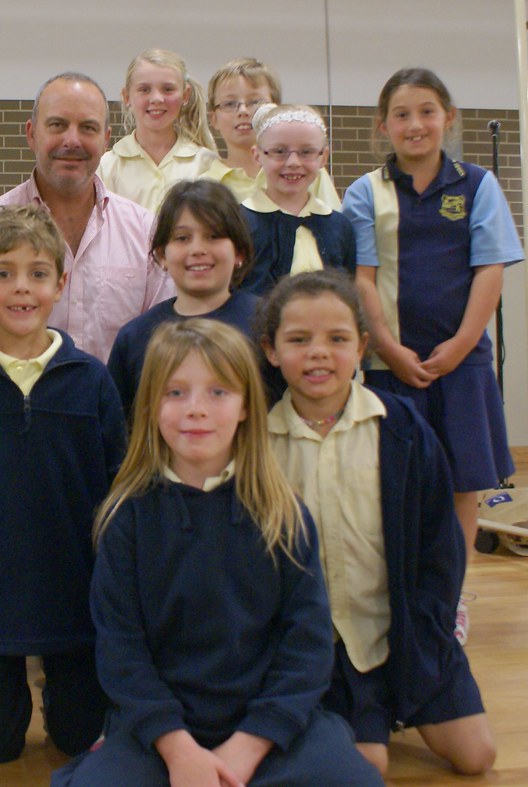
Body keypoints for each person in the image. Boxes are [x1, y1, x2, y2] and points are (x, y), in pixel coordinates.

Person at [53, 318, 381, 787]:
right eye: (176, 392)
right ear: (150, 405)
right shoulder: (126, 519)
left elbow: (306, 648)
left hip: (268, 724)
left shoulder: (284, 515)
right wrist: (178, 749)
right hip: (160, 728)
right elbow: (121, 651)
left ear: (247, 405)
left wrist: (249, 746)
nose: (196, 411)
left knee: (354, 782)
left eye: (218, 393)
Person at [260, 269, 496, 777]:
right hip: (325, 650)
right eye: (298, 340)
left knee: (477, 756)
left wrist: (433, 629)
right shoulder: (258, 442)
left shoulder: (403, 428)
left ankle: (400, 700)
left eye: (337, 339)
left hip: (405, 632)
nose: (319, 353)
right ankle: (366, 717)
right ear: (272, 350)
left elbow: (440, 544)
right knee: (370, 763)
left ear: (362, 346)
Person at [0, 205, 125, 764]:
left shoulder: (92, 381)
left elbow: (117, 489)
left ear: (61, 283)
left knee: (82, 740)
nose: (21, 288)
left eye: (37, 273)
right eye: (3, 273)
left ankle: (65, 689)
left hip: (74, 597)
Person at [342, 68, 522, 639]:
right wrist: (390, 349)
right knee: (394, 483)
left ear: (448, 117)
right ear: (382, 127)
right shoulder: (366, 192)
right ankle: (396, 598)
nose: (415, 124)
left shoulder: (478, 185)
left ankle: (450, 600)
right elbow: (362, 278)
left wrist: (463, 344)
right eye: (401, 114)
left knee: (462, 483)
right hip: (388, 367)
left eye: (426, 111)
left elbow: (489, 268)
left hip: (460, 367)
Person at [0, 72, 173, 363]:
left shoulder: (146, 232)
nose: (72, 140)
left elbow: (162, 345)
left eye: (88, 127)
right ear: (32, 134)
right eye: (57, 125)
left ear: (106, 139)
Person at [107, 179, 259, 420]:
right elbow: (120, 430)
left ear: (238, 251)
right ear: (161, 254)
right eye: (182, 238)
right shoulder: (135, 338)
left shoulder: (266, 325)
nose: (197, 249)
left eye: (214, 236)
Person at [240, 103, 355, 296]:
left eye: (307, 152)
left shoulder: (339, 226)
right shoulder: (238, 223)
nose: (293, 162)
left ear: (323, 156)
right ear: (257, 155)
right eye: (279, 151)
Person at [203, 58, 340, 206]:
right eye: (229, 104)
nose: (243, 111)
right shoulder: (206, 185)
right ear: (213, 118)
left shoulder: (308, 172)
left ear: (275, 110)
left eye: (255, 102)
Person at [98, 48, 218, 213]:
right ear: (126, 97)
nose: (156, 99)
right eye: (144, 89)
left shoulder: (206, 163)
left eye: (168, 89)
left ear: (185, 95)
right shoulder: (106, 167)